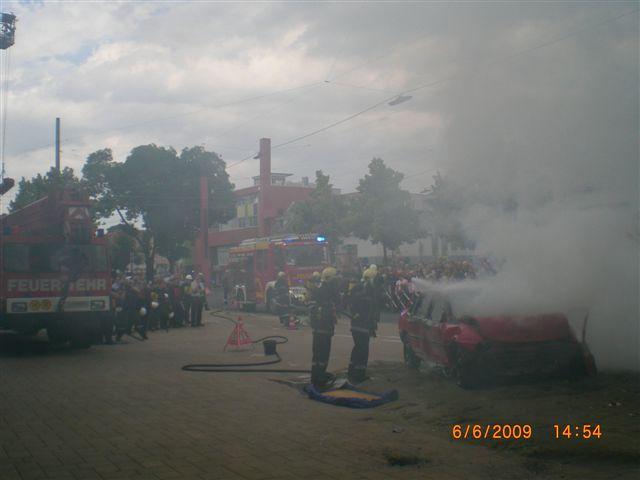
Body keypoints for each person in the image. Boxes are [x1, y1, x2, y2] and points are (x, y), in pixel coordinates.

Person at [346, 266, 378, 384]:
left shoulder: (357, 289)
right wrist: (371, 324)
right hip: (362, 325)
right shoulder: (367, 291)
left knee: (358, 348)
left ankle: (352, 372)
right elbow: (369, 310)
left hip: (356, 324)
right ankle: (359, 375)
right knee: (363, 350)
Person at [309, 267, 340, 388]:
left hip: (318, 328)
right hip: (324, 328)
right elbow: (334, 304)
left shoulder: (319, 289)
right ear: (330, 279)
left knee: (317, 354)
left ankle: (316, 375)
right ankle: (319, 378)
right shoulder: (328, 290)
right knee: (323, 354)